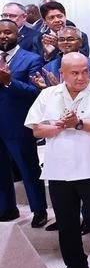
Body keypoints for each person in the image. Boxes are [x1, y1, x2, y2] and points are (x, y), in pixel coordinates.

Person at [25, 53, 90, 268]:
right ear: (62, 73)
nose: (81, 77)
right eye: (75, 73)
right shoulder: (48, 94)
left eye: (85, 71)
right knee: (67, 223)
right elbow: (36, 130)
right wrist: (57, 128)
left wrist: (78, 124)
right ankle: (75, 264)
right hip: (59, 169)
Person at [0, 19, 48, 227]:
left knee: (28, 169)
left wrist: (9, 81)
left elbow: (36, 93)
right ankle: (6, 208)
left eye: (8, 33)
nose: (3, 36)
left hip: (18, 124)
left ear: (18, 35)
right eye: (0, 33)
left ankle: (39, 210)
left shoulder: (31, 59)